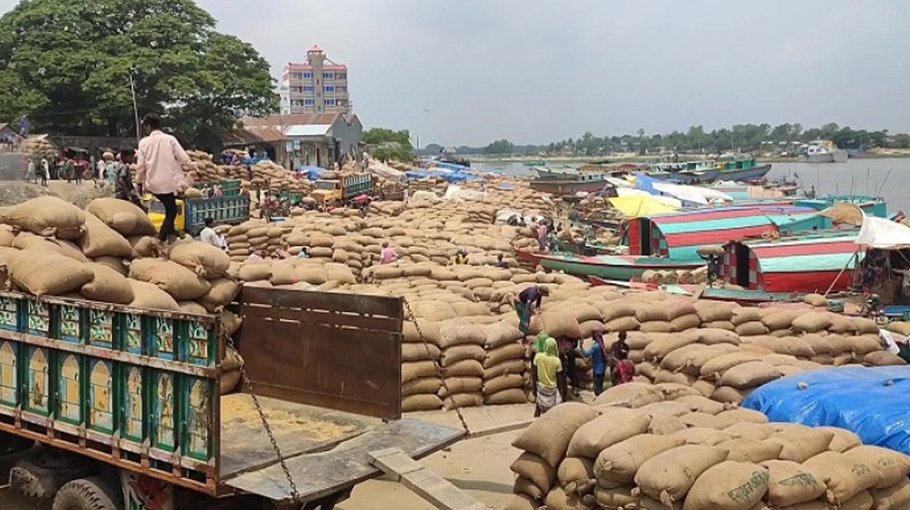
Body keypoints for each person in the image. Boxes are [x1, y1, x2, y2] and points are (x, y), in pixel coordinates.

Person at [136, 113, 192, 244]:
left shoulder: (143, 142)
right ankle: (160, 239)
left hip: (153, 184)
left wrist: (139, 183)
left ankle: (171, 235)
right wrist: (192, 166)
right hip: (169, 183)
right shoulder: (170, 139)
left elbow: (141, 166)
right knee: (171, 211)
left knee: (169, 207)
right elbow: (183, 158)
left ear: (148, 126)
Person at [532, 336, 563, 416]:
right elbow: (560, 379)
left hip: (541, 388)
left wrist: (534, 388)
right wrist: (562, 393)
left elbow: (534, 374)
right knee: (554, 412)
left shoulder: (538, 357)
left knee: (538, 407)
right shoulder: (557, 361)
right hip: (552, 389)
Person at [583, 331, 609, 396]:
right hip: (602, 368)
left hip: (597, 369)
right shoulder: (601, 345)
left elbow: (586, 354)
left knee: (596, 387)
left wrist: (581, 348)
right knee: (600, 386)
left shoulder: (596, 346)